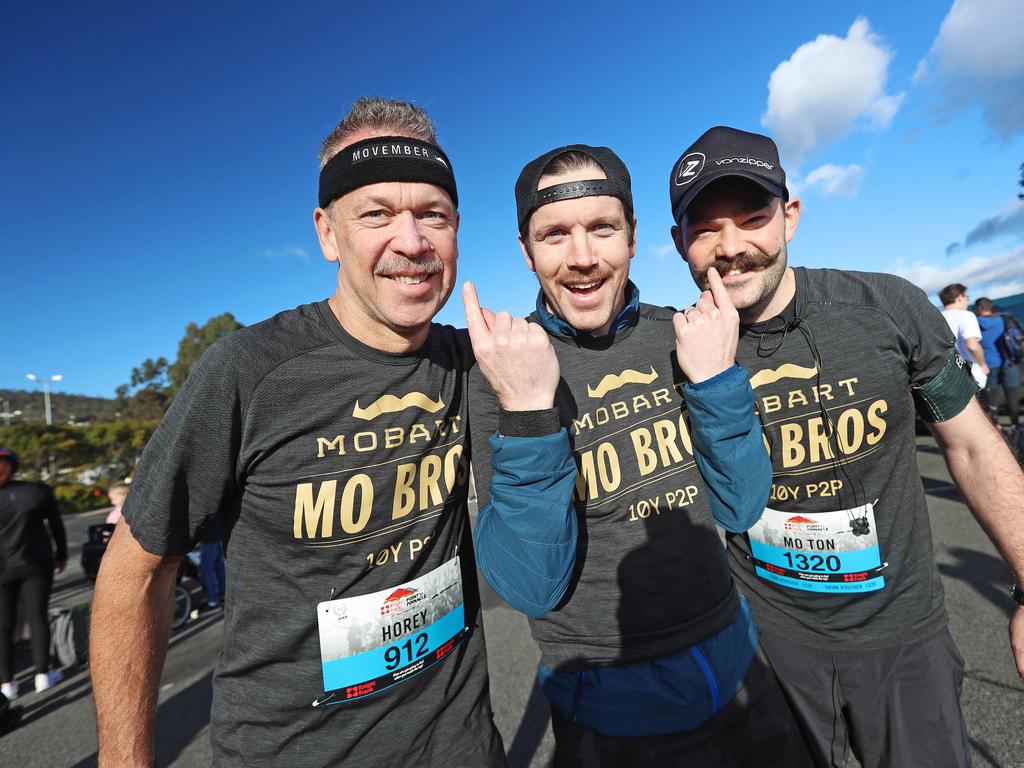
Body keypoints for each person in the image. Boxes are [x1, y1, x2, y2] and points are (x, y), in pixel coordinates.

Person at [90, 99, 506, 767]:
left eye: (433, 213)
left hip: (460, 746)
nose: (412, 241)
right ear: (327, 232)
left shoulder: (473, 360)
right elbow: (135, 573)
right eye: (376, 214)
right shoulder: (249, 372)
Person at [668, 125, 1024, 768]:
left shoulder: (886, 305)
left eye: (753, 218)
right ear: (677, 244)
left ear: (791, 217)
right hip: (767, 646)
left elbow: (970, 443)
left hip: (903, 633)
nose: (731, 248)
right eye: (704, 229)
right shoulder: (679, 351)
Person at [466, 144, 811, 766]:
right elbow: (530, 585)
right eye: (554, 235)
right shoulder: (501, 371)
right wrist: (526, 409)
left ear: (632, 237)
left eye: (602, 228)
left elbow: (740, 505)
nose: (582, 258)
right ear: (526, 252)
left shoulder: (681, 335)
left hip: (739, 676)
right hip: (608, 712)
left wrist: (714, 383)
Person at [0, 447, 66, 700]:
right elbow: (56, 525)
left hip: (2, 570)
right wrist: (61, 554)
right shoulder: (37, 490)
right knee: (37, 616)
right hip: (37, 563)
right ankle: (42, 674)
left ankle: (7, 683)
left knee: (3, 625)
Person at [975, 297, 1021, 429]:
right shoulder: (1003, 319)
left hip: (988, 364)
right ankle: (1015, 424)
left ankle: (996, 424)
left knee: (991, 395)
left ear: (980, 309)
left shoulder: (975, 322)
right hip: (1007, 361)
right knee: (1012, 394)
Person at [939, 283, 988, 388]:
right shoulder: (966, 315)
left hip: (949, 378)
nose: (967, 301)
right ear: (960, 297)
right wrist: (983, 364)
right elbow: (972, 345)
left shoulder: (935, 318)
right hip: (971, 375)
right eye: (967, 297)